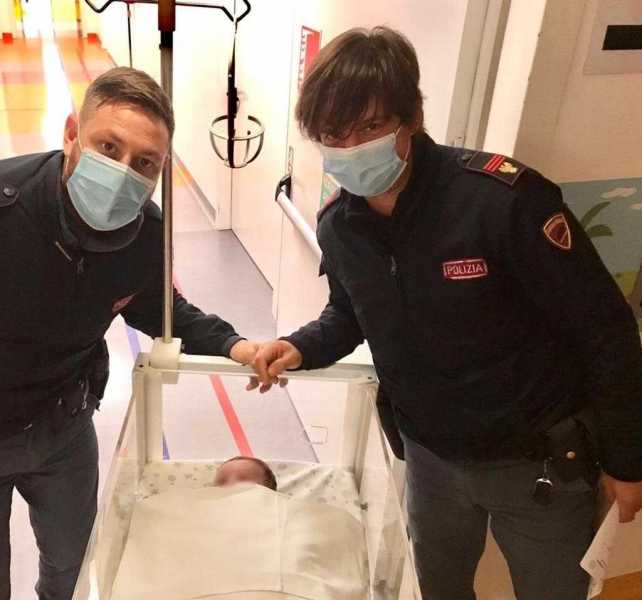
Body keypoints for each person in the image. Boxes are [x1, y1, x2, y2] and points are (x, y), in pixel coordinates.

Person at [250, 27, 642, 600]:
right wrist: (300, 346)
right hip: (429, 461)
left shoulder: (502, 201)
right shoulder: (340, 225)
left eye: (370, 127)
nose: (351, 147)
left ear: (411, 118)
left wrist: (628, 459)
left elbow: (606, 330)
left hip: (536, 466)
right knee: (437, 589)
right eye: (334, 134)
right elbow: (349, 313)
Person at [0, 67, 258, 600]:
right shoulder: (9, 207)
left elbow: (161, 310)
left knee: (73, 561)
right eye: (108, 147)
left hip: (63, 425)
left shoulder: (146, 236)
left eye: (145, 163)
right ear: (72, 133)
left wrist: (234, 344)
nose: (122, 174)